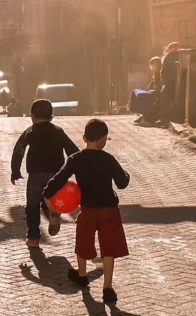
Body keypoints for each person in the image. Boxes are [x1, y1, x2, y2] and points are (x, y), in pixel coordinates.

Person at [43, 119, 130, 303]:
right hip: (109, 209)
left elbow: (60, 178)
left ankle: (82, 275)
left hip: (88, 208)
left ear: (84, 138)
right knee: (108, 248)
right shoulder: (108, 159)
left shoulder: (76, 159)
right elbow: (122, 183)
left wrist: (47, 194)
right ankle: (107, 288)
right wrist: (127, 175)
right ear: (104, 139)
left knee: (83, 242)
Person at [11, 99, 79, 248]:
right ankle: (52, 213)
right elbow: (72, 150)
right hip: (57, 174)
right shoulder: (58, 131)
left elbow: (19, 150)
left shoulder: (30, 131)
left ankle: (33, 238)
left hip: (36, 174)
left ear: (32, 116)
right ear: (51, 117)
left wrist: (15, 171)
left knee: (33, 205)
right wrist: (78, 167)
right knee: (49, 200)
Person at [133, 57, 162, 125]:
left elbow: (160, 86)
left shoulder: (161, 73)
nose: (151, 67)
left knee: (144, 97)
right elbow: (150, 85)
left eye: (153, 65)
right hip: (152, 92)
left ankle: (147, 118)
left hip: (158, 93)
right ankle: (144, 115)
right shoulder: (154, 74)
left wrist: (152, 91)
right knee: (136, 93)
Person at [158, 42, 181, 127]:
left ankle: (164, 120)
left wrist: (164, 83)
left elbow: (162, 72)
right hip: (171, 83)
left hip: (169, 83)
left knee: (166, 101)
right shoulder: (172, 56)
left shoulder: (169, 56)